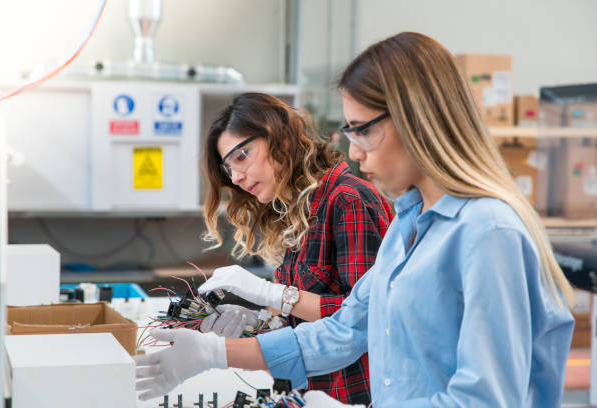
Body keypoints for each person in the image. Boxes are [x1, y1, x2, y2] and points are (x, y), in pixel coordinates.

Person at [134, 32, 575, 407]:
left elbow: (483, 400)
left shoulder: (487, 232)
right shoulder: (408, 224)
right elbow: (344, 331)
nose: (356, 150)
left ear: (416, 118)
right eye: (350, 132)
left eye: (363, 129)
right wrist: (215, 352)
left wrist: (271, 300)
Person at [194, 92, 392, 404]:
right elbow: (305, 321)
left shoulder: (348, 201)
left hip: (354, 397)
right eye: (229, 167)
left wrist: (275, 295)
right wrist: (259, 322)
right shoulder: (297, 210)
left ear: (281, 139)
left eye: (242, 156)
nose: (236, 177)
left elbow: (366, 320)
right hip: (312, 393)